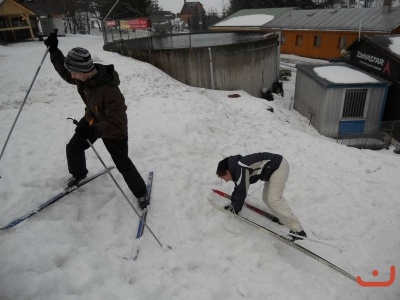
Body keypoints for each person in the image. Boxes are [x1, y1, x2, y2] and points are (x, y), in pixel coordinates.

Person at [44, 33, 149, 210]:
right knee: (74, 147)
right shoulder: (83, 77)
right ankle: (79, 174)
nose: (72, 76)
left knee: (122, 162)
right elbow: (65, 71)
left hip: (114, 130)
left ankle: (141, 192)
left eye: (75, 72)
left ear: (84, 70)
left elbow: (116, 124)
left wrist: (92, 131)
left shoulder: (110, 91)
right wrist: (54, 50)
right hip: (92, 119)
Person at [216, 152, 307, 240]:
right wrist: (233, 203)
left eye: (224, 178)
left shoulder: (241, 168)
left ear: (227, 172)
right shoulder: (238, 168)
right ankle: (283, 219)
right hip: (273, 170)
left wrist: (235, 209)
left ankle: (298, 230)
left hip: (278, 167)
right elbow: (238, 188)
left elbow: (241, 192)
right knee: (266, 198)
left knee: (274, 199)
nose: (226, 180)